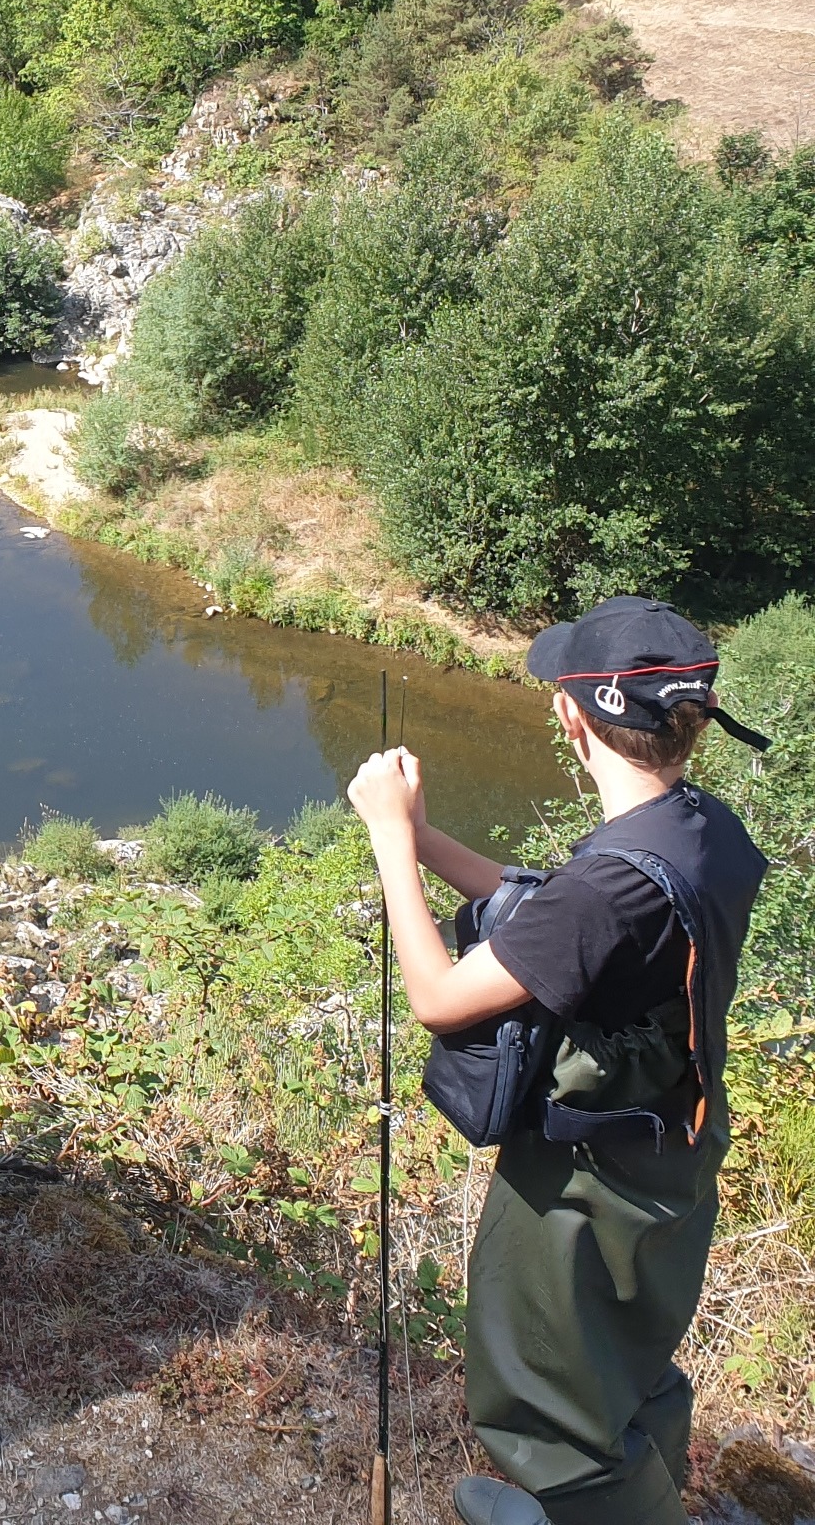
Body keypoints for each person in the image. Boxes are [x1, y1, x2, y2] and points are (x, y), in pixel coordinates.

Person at [346, 597, 769, 1525]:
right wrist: (423, 838)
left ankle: (589, 1504)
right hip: (671, 1149)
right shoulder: (701, 830)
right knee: (628, 1357)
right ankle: (616, 1492)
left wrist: (385, 840)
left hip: (586, 1187)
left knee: (546, 1392)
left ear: (575, 719)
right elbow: (548, 912)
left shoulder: (613, 885)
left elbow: (439, 996)